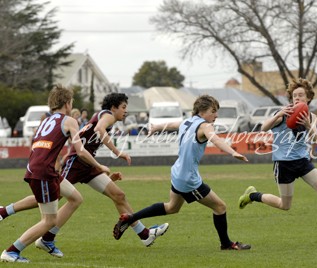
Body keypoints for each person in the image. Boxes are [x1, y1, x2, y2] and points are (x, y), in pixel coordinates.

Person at [0, 93, 169, 258]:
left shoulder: (100, 116)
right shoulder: (108, 116)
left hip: (87, 164)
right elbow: (99, 129)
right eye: (123, 107)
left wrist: (100, 169)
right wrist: (118, 153)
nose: (125, 111)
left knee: (118, 195)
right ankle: (14, 219)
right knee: (53, 197)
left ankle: (144, 234)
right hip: (77, 162)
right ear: (113, 108)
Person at [113, 94, 251, 250]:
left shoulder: (188, 121)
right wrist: (232, 152)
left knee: (172, 207)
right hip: (188, 179)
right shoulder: (205, 126)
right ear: (202, 111)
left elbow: (173, 124)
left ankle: (130, 218)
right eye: (213, 111)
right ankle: (226, 244)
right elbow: (216, 140)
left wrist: (158, 127)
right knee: (220, 207)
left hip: (177, 172)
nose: (216, 115)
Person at [238, 78, 317, 246]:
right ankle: (252, 195)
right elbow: (263, 128)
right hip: (283, 164)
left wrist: (308, 125)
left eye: (301, 95)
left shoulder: (312, 117)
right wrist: (278, 114)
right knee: (284, 205)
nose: (297, 98)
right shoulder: (284, 113)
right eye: (294, 95)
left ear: (308, 98)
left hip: (302, 162)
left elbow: (315, 139)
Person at [0, 85, 110, 263]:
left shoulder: (46, 120)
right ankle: (12, 251)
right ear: (67, 103)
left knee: (75, 198)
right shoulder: (69, 120)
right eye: (71, 101)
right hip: (44, 172)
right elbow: (80, 151)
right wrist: (99, 166)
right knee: (49, 220)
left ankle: (46, 239)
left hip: (39, 168)